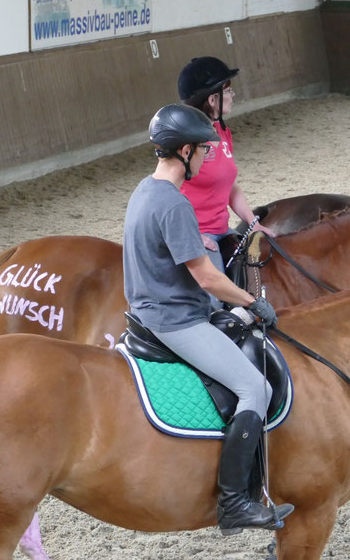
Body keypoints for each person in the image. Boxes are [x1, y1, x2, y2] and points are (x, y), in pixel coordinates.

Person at [123, 103, 293, 533]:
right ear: (184, 151)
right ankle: (235, 502)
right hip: (174, 320)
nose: (206, 158)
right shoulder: (175, 205)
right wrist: (252, 301)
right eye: (202, 151)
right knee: (254, 386)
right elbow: (206, 277)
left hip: (151, 307)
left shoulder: (145, 190)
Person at [177, 56, 274, 300]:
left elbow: (230, 187)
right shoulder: (185, 142)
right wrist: (191, 235)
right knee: (216, 303)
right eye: (228, 91)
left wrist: (254, 224)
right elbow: (169, 193)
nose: (233, 96)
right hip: (199, 237)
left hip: (222, 230)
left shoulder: (221, 131)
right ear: (212, 100)